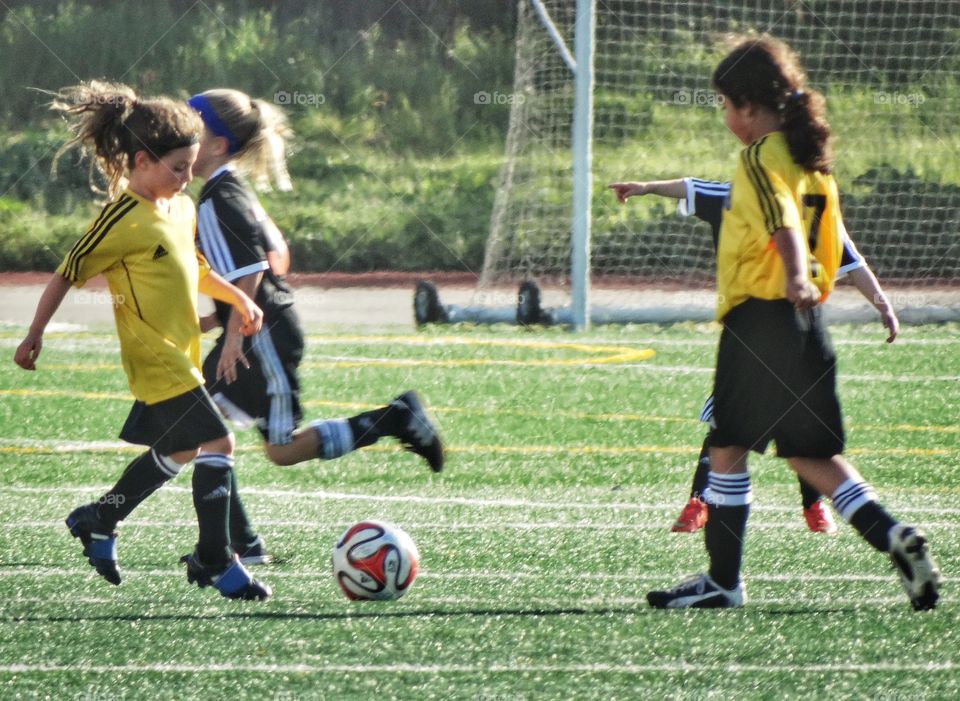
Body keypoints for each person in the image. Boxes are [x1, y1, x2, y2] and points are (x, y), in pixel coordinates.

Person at [641, 37, 941, 609]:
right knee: (811, 458)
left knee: (727, 448)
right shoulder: (814, 165)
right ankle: (894, 535)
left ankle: (723, 582)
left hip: (761, 320)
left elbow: (783, 226)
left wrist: (797, 275)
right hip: (808, 326)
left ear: (750, 107)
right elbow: (835, 241)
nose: (727, 119)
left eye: (727, 106)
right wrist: (856, 291)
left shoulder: (760, 157)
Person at [14, 81, 271, 601]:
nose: (184, 179)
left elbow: (195, 267)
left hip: (184, 353)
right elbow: (67, 272)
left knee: (179, 450)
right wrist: (34, 334)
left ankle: (98, 519)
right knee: (219, 442)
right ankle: (216, 560)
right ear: (141, 160)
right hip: (155, 359)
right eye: (177, 168)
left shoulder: (181, 210)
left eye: (189, 167)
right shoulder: (121, 218)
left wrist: (237, 300)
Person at [184, 88, 443, 561]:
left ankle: (394, 418)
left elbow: (252, 269)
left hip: (260, 336)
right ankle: (239, 546)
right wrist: (216, 317)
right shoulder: (227, 189)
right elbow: (275, 252)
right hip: (256, 328)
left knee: (275, 448)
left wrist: (234, 330)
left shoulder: (217, 197)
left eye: (189, 124)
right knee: (199, 425)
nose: (178, 131)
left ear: (217, 144)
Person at [608, 176, 900, 536]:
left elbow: (849, 257)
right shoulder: (745, 190)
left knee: (801, 428)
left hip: (795, 332)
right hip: (748, 332)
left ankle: (812, 505)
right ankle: (700, 501)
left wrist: (882, 302)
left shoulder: (811, 203)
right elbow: (693, 187)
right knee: (725, 423)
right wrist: (648, 187)